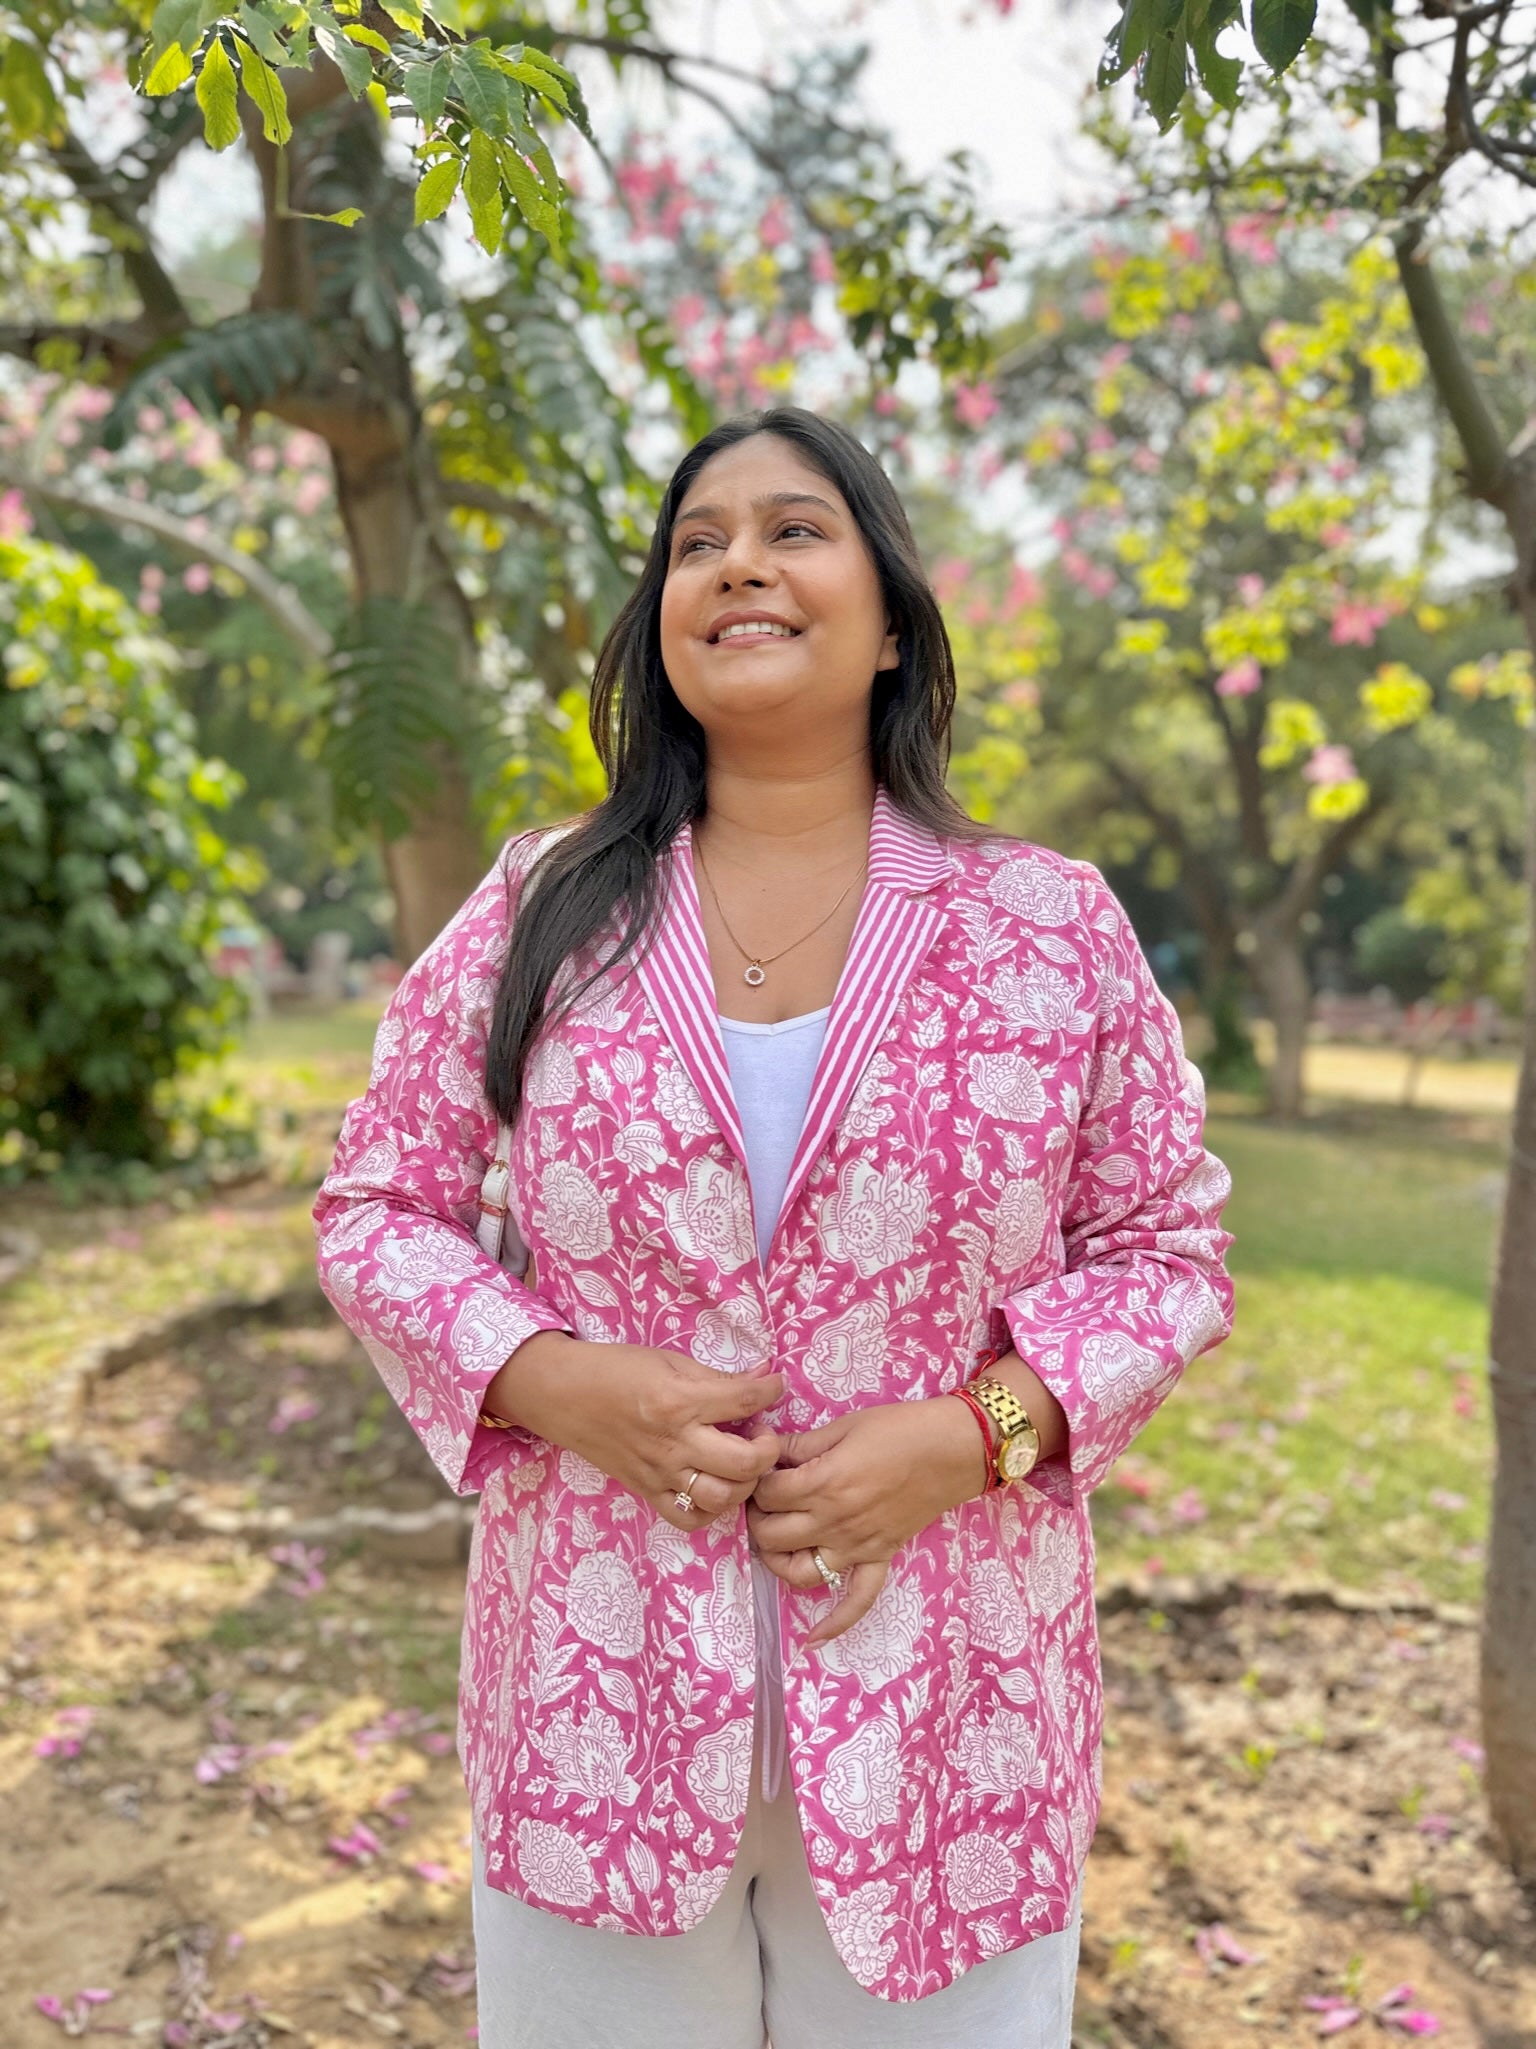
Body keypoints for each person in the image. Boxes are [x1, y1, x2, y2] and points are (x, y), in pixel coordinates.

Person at [313, 406, 1235, 2048]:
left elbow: (1167, 1250)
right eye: (698, 542)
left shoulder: (1047, 927)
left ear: (889, 624)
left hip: (959, 1715)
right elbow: (379, 1203)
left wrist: (974, 1430)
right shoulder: (539, 906)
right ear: (661, 623)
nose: (738, 562)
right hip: (593, 1707)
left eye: (795, 529)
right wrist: (552, 1378)